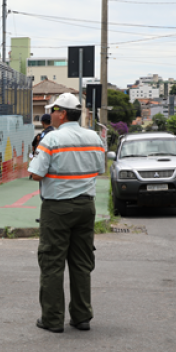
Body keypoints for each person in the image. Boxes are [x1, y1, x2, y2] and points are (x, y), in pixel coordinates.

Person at [27, 93, 106, 333]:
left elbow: (36, 174)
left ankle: (52, 319)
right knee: (81, 263)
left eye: (52, 110)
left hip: (57, 208)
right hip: (85, 207)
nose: (49, 114)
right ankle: (82, 317)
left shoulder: (51, 139)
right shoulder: (94, 137)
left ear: (61, 112)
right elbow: (99, 169)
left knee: (52, 263)